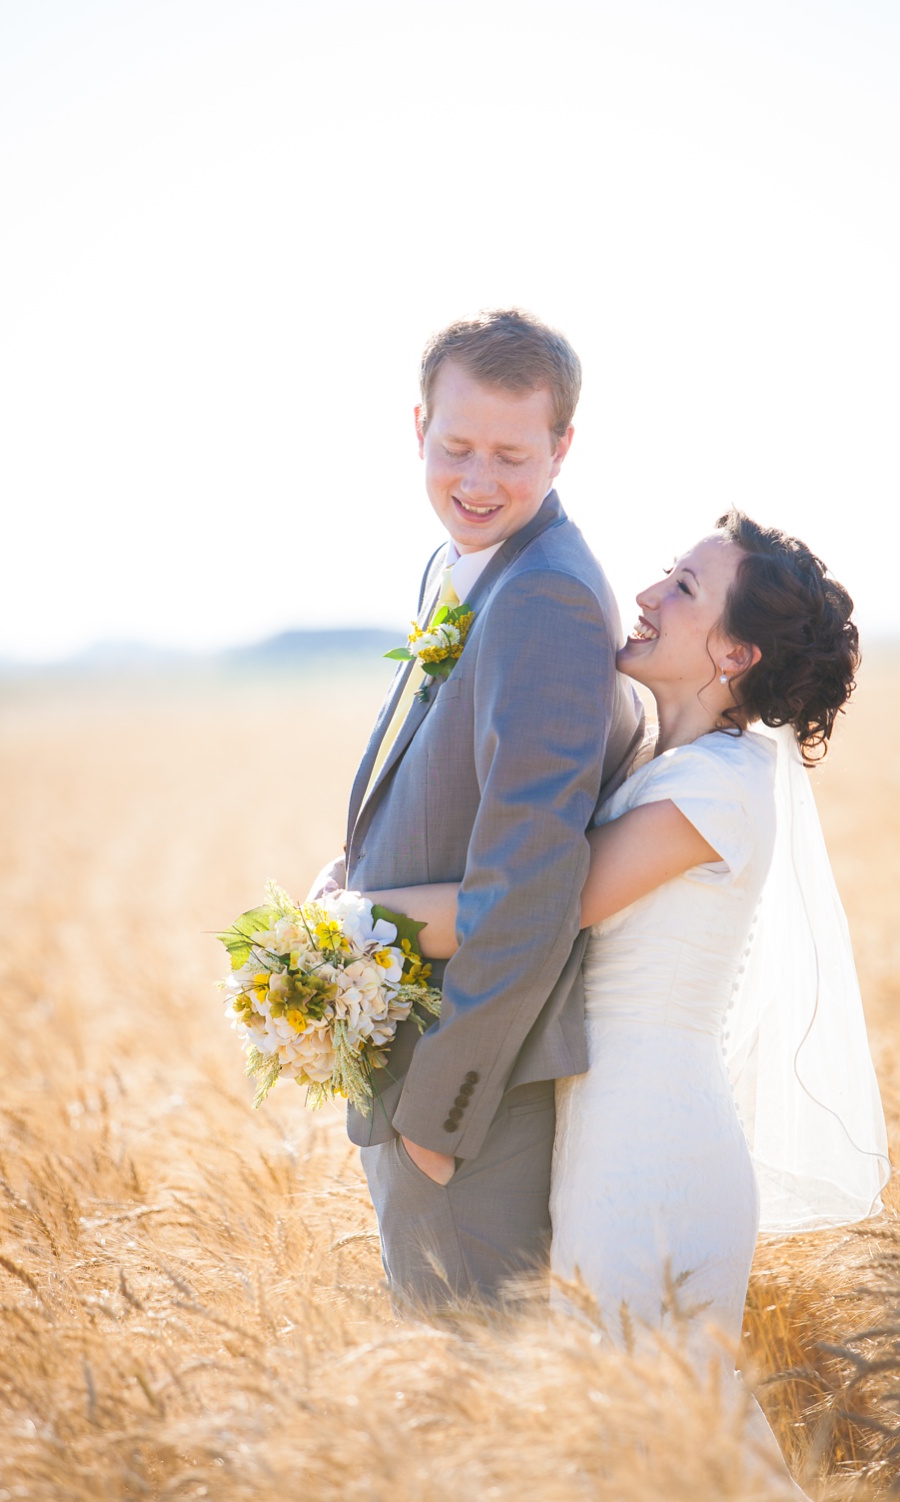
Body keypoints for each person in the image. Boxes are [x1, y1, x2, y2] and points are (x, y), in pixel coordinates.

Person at [367, 512, 888, 1343]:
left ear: (735, 654)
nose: (646, 596)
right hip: (607, 1126)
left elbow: (526, 911)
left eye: (683, 588)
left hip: (652, 1149)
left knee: (651, 1432)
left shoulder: (716, 790)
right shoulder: (666, 764)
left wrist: (350, 920)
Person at [315, 309, 647, 1310]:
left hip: (472, 1091)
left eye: (511, 453)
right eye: (455, 447)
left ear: (563, 447)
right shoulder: (464, 564)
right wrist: (350, 878)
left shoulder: (546, 594)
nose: (476, 479)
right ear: (417, 425)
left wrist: (437, 1111)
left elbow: (530, 879)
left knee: (478, 1395)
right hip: (421, 1058)